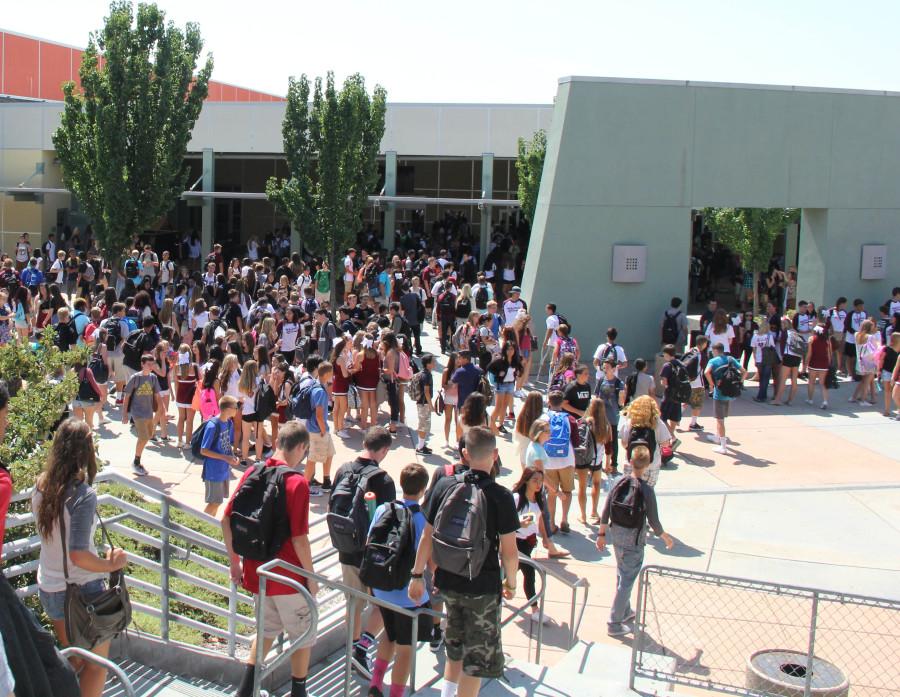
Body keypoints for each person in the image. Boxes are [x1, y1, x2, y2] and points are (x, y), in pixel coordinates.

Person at [410, 427, 520, 697]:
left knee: (454, 646)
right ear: (495, 455)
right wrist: (512, 583)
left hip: (447, 580)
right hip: (482, 586)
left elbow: (428, 536)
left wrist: (415, 576)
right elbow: (509, 551)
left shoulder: (446, 485)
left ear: (464, 454)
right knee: (477, 663)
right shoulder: (501, 496)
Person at [33, 419, 128, 697]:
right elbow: (78, 555)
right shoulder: (83, 496)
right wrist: (112, 564)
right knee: (96, 666)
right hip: (83, 592)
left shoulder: (41, 486)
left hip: (50, 587)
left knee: (72, 660)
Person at [223, 422, 317, 697]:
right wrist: (311, 579)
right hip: (289, 578)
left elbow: (225, 518)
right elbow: (300, 539)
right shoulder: (296, 482)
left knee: (265, 632)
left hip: (258, 573)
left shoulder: (253, 470)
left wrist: (234, 562)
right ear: (300, 447)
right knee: (304, 635)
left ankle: (246, 691)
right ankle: (299, 692)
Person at [330, 427, 396, 679]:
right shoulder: (383, 480)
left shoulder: (343, 469)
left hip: (346, 549)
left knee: (354, 604)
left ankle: (352, 649)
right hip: (372, 554)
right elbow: (389, 522)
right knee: (383, 604)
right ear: (384, 450)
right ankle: (363, 648)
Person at [366, 463, 431, 697]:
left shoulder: (383, 509)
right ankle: (395, 694)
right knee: (406, 648)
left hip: (382, 590)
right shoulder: (423, 519)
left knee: (389, 635)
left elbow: (369, 542)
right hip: (409, 595)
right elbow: (428, 558)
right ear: (423, 490)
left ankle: (375, 683)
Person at [596, 443, 674, 637]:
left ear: (630, 461)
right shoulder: (646, 489)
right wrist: (664, 537)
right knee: (627, 581)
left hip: (617, 537)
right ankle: (614, 623)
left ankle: (624, 611)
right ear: (647, 465)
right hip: (634, 540)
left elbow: (606, 509)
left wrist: (601, 534)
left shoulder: (618, 483)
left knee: (622, 574)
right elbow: (654, 520)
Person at [510, 467, 568, 626]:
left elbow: (541, 521)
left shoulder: (539, 500)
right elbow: (505, 521)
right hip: (516, 542)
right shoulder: (516, 499)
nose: (538, 484)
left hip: (529, 542)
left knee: (512, 571)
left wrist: (547, 540)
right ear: (526, 480)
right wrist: (519, 523)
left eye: (540, 481)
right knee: (530, 573)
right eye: (535, 480)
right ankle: (535, 610)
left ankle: (499, 588)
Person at [122, 353, 165, 476]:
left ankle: (137, 460)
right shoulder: (135, 378)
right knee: (144, 437)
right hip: (137, 413)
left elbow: (157, 395)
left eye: (152, 364)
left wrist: (161, 409)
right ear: (142, 364)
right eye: (148, 364)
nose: (151, 366)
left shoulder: (153, 378)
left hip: (148, 412)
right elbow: (127, 396)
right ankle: (136, 462)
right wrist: (124, 414)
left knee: (149, 435)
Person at [617, 395, 673, 487]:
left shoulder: (630, 422)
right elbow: (665, 443)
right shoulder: (657, 422)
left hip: (632, 464)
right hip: (651, 464)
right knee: (647, 494)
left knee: (629, 493)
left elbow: (624, 444)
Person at [543, 391, 578, 534]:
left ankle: (551, 523)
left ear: (549, 402)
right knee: (567, 490)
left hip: (548, 460)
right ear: (562, 402)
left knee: (552, 492)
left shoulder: (544, 418)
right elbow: (576, 441)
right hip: (567, 459)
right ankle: (564, 519)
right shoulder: (570, 419)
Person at [199, 395, 239, 516]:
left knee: (218, 501)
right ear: (227, 409)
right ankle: (202, 527)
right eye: (236, 407)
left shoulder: (228, 423)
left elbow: (226, 444)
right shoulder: (213, 425)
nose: (237, 410)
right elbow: (204, 450)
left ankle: (209, 525)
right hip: (213, 471)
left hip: (224, 469)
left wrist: (232, 456)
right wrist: (225, 458)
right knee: (214, 502)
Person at [704, 343, 746, 455]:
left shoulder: (713, 361)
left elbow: (706, 372)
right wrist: (740, 383)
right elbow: (744, 371)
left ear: (715, 351)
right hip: (730, 393)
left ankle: (723, 446)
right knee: (721, 418)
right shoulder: (730, 359)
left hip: (719, 394)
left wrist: (711, 385)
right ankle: (717, 436)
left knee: (719, 420)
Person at [578, 397, 612, 523]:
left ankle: (583, 515)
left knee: (582, 487)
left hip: (584, 457)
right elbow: (609, 445)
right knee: (596, 485)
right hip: (598, 458)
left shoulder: (586, 422)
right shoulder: (606, 425)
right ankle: (594, 511)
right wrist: (608, 463)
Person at [304, 360, 335, 496]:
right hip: (318, 431)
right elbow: (319, 415)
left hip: (320, 430)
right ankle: (305, 486)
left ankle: (326, 481)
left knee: (329, 454)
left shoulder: (317, 387)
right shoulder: (320, 392)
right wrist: (323, 430)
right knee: (313, 459)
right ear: (327, 374)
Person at [595, 357, 626, 472]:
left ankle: (614, 464)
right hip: (601, 416)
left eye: (607, 367)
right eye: (604, 366)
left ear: (614, 369)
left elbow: (621, 402)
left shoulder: (619, 383)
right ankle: (599, 462)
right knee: (600, 440)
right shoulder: (601, 380)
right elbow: (596, 397)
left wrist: (622, 397)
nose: (605, 368)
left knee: (612, 441)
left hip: (612, 416)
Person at [486, 340, 522, 434]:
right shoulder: (500, 360)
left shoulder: (515, 361)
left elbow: (520, 369)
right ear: (505, 350)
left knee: (505, 406)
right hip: (501, 385)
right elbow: (489, 367)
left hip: (510, 385)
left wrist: (518, 373)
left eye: (512, 349)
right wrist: (498, 373)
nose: (510, 351)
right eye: (508, 349)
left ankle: (500, 425)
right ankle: (490, 425)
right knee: (498, 407)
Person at [805, 325, 833, 410]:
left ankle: (810, 399)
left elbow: (809, 354)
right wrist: (829, 364)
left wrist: (805, 364)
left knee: (811, 382)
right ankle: (825, 401)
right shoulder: (827, 341)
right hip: (824, 364)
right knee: (823, 383)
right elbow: (829, 354)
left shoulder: (811, 339)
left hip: (814, 363)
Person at [414, 354, 435, 455]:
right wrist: (430, 405)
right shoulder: (427, 375)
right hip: (424, 403)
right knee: (423, 425)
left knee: (424, 424)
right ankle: (420, 447)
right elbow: (426, 391)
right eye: (433, 361)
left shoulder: (422, 373)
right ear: (428, 364)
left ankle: (421, 445)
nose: (434, 363)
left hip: (421, 402)